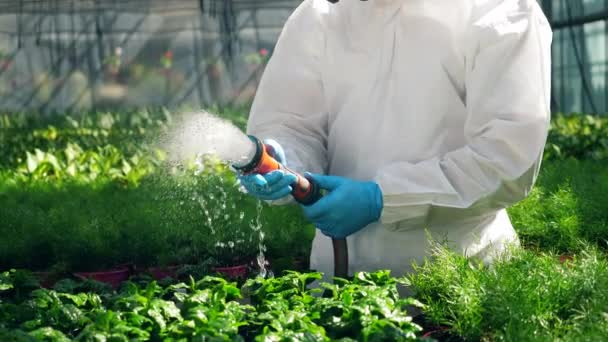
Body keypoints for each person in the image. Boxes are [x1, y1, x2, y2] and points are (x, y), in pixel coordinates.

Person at [238, 0, 552, 283]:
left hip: (462, 282)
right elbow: (291, 123)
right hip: (338, 278)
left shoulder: (500, 12)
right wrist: (282, 157)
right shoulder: (321, 16)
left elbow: (505, 157)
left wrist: (384, 198)